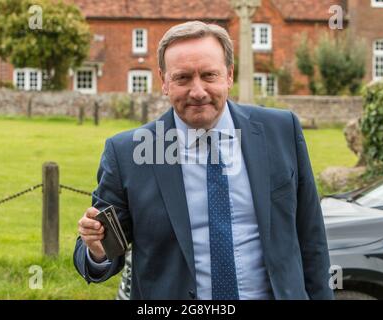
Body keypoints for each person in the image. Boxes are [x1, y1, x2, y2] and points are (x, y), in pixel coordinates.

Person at [74, 21, 334, 300]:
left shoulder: (280, 130)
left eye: (209, 75)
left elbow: (311, 238)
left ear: (229, 75)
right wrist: (97, 249)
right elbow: (104, 249)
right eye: (183, 78)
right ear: (164, 81)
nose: (197, 92)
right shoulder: (127, 153)